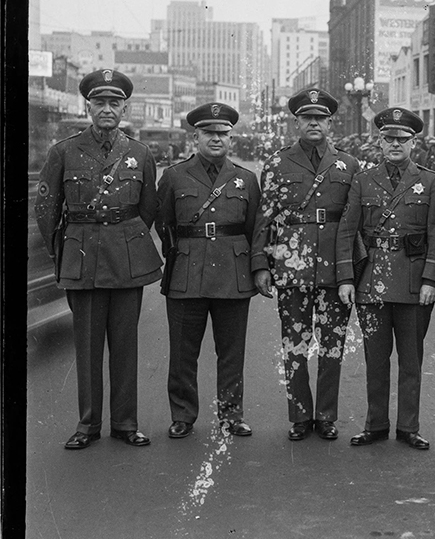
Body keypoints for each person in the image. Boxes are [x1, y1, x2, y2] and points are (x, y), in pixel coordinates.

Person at [33, 69, 163, 449]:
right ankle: (88, 425)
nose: (107, 109)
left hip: (126, 261)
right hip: (83, 256)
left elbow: (148, 207)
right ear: (88, 106)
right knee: (87, 347)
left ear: (125, 107)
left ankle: (125, 423)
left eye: (114, 103)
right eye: (100, 102)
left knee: (125, 345)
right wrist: (65, 251)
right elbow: (47, 209)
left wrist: (127, 239)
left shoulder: (139, 153)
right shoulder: (64, 151)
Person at [336, 107, 435, 451]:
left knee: (411, 361)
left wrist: (432, 279)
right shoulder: (363, 180)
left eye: (402, 138)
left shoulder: (432, 182)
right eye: (389, 138)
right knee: (375, 358)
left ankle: (408, 427)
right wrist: (346, 278)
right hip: (372, 283)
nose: (395, 144)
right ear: (380, 142)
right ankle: (375, 424)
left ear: (413, 142)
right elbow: (347, 231)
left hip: (415, 283)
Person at [251, 88, 360, 441]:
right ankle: (299, 416)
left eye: (321, 118)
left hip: (333, 267)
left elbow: (355, 221)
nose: (314, 123)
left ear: (330, 122)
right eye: (307, 118)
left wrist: (352, 270)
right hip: (291, 264)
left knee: (332, 345)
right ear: (296, 121)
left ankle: (326, 415)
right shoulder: (277, 164)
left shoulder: (348, 164)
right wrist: (261, 265)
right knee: (294, 344)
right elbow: (264, 219)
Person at [156, 103, 260, 439]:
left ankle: (232, 415)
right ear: (196, 136)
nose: (217, 139)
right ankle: (183, 415)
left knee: (231, 351)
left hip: (233, 272)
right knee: (183, 351)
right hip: (187, 272)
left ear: (231, 137)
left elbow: (254, 227)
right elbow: (164, 222)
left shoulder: (246, 179)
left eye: (223, 133)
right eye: (209, 133)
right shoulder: (173, 176)